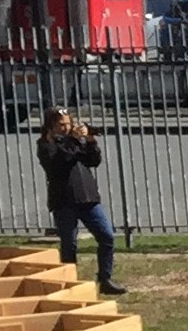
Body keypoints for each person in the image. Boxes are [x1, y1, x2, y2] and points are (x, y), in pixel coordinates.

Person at [35, 108, 123, 294]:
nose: (66, 128)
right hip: (64, 200)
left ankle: (105, 279)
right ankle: (69, 283)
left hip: (88, 197)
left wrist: (90, 142)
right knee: (69, 243)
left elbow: (93, 161)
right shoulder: (45, 144)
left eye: (68, 124)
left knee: (107, 236)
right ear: (51, 126)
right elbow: (62, 161)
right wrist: (75, 140)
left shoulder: (75, 141)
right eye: (61, 124)